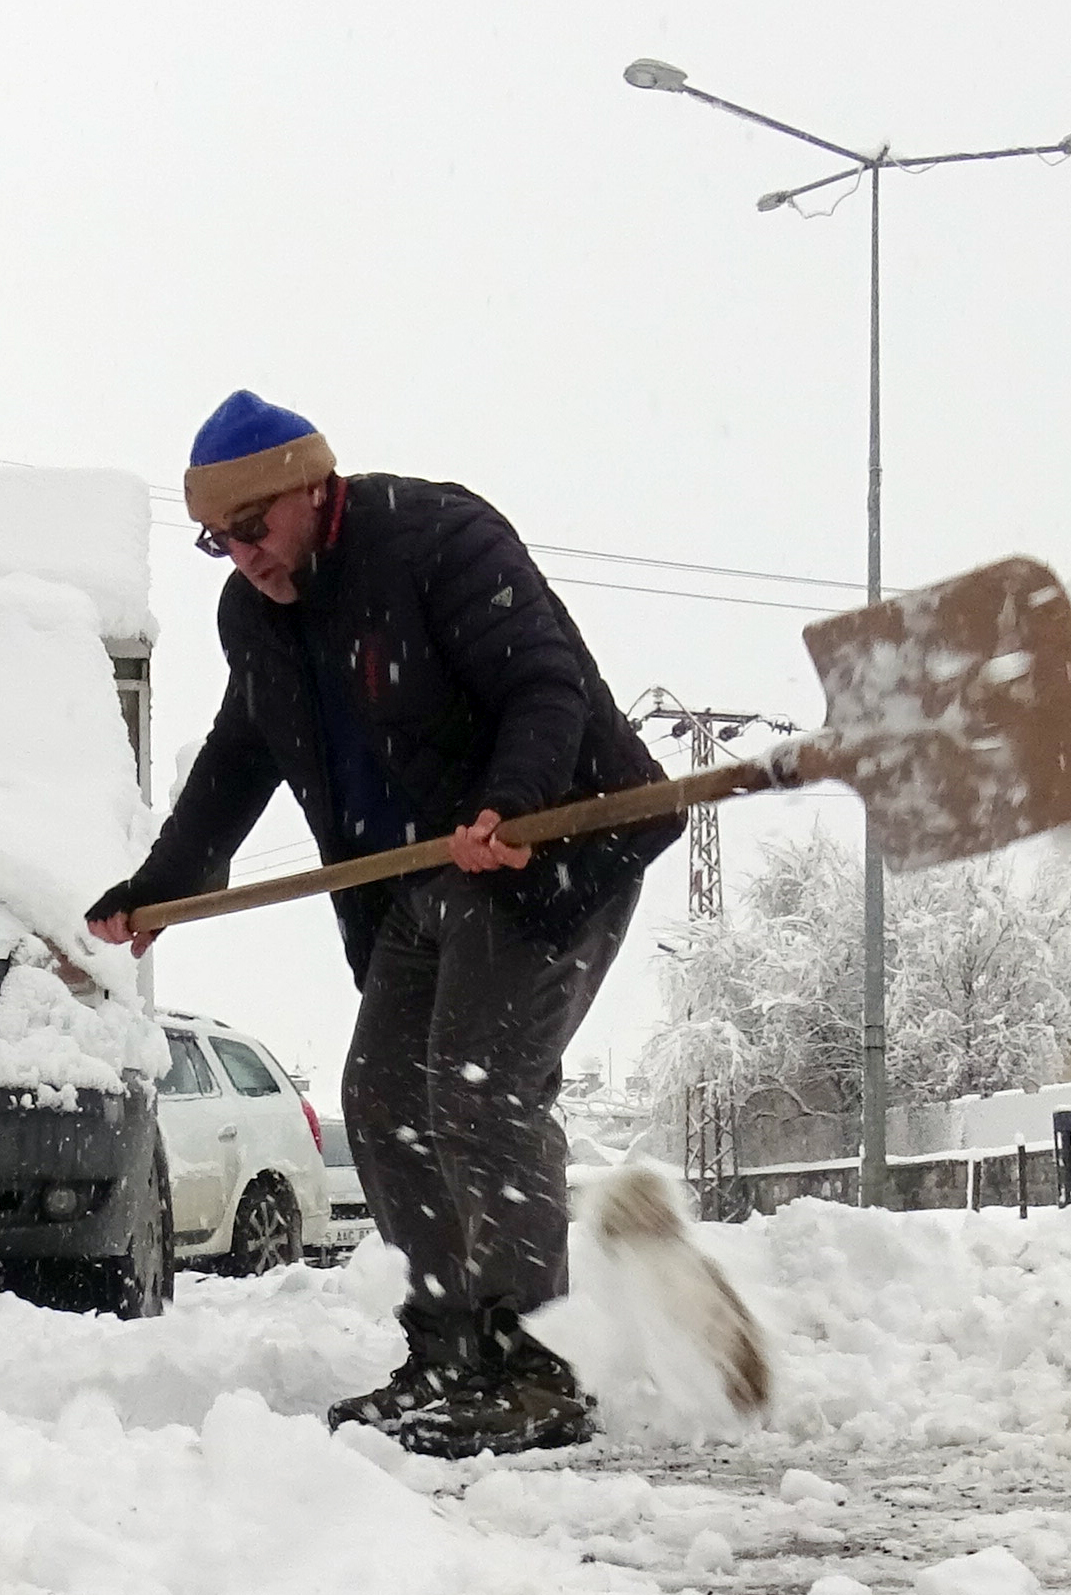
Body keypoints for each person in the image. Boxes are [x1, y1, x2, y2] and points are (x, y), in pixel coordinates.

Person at [89, 393, 675, 1456]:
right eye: (219, 541)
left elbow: (544, 685)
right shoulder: (255, 615)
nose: (243, 557)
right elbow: (241, 753)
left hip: (552, 848)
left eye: (254, 528)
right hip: (414, 877)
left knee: (478, 1085)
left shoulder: (439, 539)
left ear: (315, 488)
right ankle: (450, 1351)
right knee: (384, 1094)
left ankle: (533, 1367)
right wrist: (162, 883)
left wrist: (513, 802)